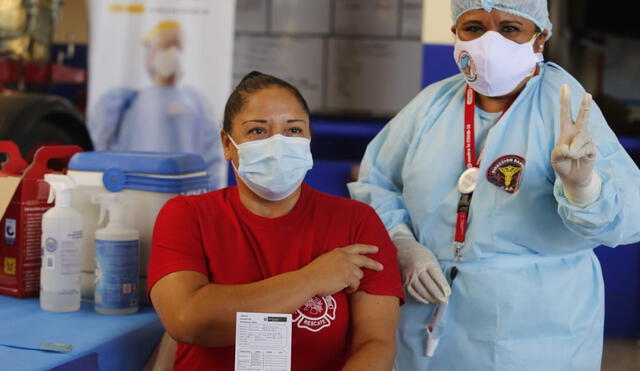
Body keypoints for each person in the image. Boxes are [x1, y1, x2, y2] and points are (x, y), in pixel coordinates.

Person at [348, 1, 640, 370]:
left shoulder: (564, 106)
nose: (489, 42)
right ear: (455, 33)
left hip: (536, 328)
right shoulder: (432, 105)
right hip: (429, 320)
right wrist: (402, 244)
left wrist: (583, 188)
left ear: (540, 37)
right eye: (473, 27)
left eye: (509, 28)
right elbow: (376, 183)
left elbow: (627, 218)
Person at [147, 71, 403, 371]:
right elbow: (186, 320)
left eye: (293, 130)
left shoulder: (356, 222)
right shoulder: (188, 215)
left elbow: (376, 343)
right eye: (258, 131)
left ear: (308, 140)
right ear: (227, 144)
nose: (277, 144)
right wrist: (312, 279)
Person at [88, 20, 226, 189]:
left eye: (176, 47)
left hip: (186, 195)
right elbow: (100, 148)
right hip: (134, 193)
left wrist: (208, 199)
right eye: (165, 47)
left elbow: (212, 157)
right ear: (149, 55)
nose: (171, 53)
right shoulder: (126, 101)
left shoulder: (196, 103)